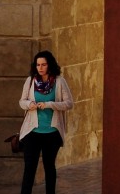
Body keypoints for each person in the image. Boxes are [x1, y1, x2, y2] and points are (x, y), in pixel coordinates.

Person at [18, 50, 74, 194]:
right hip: (32, 132)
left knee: (49, 167)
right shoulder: (30, 81)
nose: (40, 68)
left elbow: (69, 103)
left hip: (52, 132)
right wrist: (29, 104)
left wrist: (49, 104)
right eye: (38, 65)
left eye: (43, 64)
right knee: (29, 168)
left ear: (50, 65)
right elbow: (21, 101)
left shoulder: (59, 81)